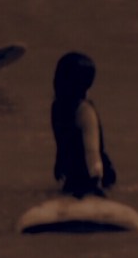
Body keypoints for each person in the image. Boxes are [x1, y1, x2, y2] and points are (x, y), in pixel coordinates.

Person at [50, 53, 117, 198]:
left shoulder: (84, 111)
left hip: (95, 176)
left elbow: (92, 151)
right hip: (74, 175)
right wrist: (59, 162)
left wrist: (96, 183)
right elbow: (62, 141)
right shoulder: (58, 107)